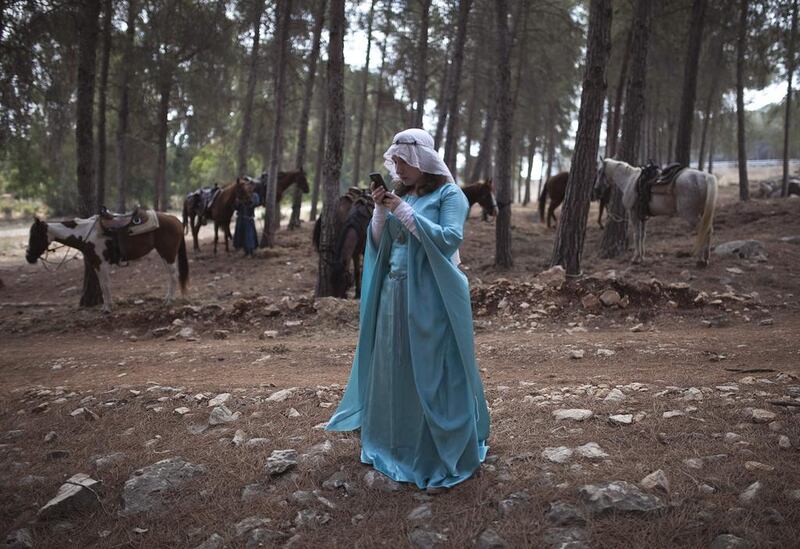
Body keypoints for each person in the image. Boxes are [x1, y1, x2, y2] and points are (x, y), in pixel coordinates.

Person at [326, 128, 490, 490]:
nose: (396, 167)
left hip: (430, 294)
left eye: (402, 160)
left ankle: (433, 447)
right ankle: (391, 441)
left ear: (421, 161)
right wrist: (383, 211)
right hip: (393, 294)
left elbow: (449, 240)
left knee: (430, 367)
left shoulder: (450, 194)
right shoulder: (403, 195)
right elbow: (379, 244)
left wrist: (400, 208)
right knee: (393, 364)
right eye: (394, 161)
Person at [232, 182, 260, 256]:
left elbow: (255, 203)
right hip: (241, 218)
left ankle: (250, 251)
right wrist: (237, 202)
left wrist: (249, 201)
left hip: (249, 218)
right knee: (241, 235)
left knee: (249, 235)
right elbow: (235, 207)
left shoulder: (255, 195)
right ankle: (245, 251)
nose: (249, 188)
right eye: (248, 186)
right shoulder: (240, 195)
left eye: (251, 186)